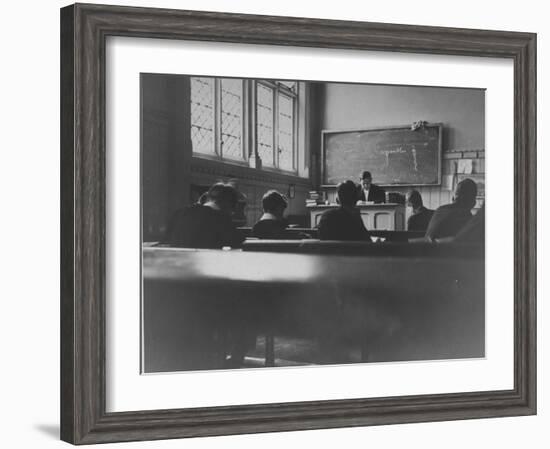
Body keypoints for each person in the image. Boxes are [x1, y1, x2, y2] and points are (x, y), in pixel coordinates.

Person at [164, 182, 244, 249]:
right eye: (232, 211)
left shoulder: (179, 213)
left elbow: (166, 240)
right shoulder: (222, 219)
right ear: (229, 205)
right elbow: (236, 242)